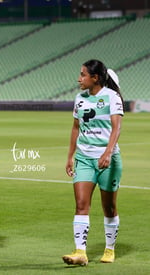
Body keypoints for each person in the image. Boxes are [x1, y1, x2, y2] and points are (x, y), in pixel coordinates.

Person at [63, 59, 124, 266]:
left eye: (83, 75)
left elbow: (116, 128)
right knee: (81, 205)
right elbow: (75, 128)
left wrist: (108, 153)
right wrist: (70, 156)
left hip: (108, 160)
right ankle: (80, 252)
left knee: (109, 208)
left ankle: (109, 248)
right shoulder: (79, 99)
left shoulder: (112, 97)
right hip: (84, 158)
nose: (79, 79)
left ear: (95, 78)